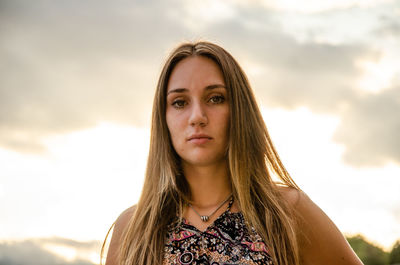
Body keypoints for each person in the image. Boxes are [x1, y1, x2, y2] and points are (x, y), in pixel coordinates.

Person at [102, 41, 364, 265]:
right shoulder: (132, 228)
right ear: (164, 118)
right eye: (180, 102)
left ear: (239, 110)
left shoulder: (287, 212)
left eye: (215, 98)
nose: (197, 117)